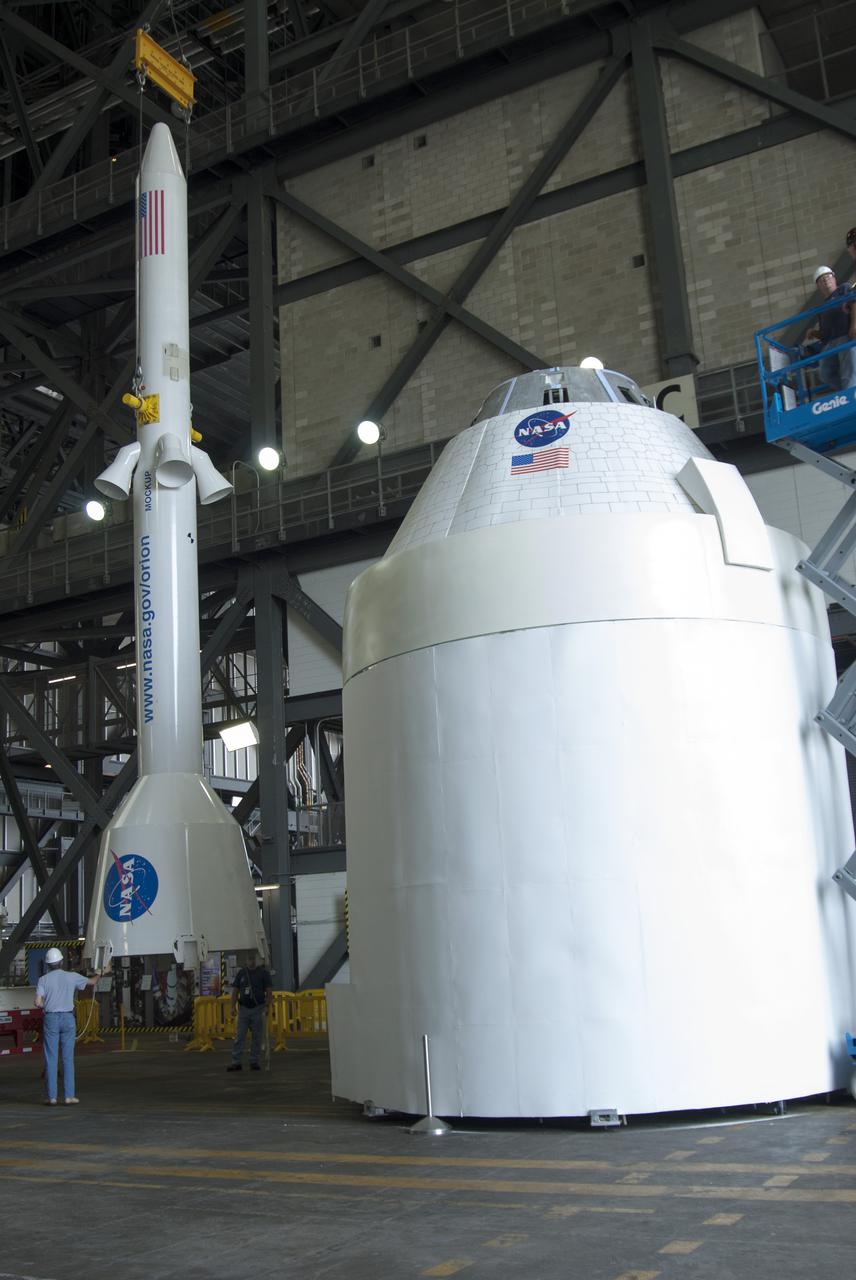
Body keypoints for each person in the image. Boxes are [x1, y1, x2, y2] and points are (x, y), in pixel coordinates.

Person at [34, 947, 100, 1106]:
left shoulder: (43, 980)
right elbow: (92, 982)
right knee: (67, 1058)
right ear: (62, 962)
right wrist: (102, 972)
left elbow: (37, 1002)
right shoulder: (72, 976)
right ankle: (69, 1096)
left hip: (51, 1019)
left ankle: (52, 1097)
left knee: (51, 1058)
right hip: (68, 1019)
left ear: (48, 964)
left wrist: (44, 1004)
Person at [810, 266, 856, 390]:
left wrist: (854, 325)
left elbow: (854, 303)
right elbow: (824, 333)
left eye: (828, 277)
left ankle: (850, 395)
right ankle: (846, 393)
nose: (826, 280)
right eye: (821, 280)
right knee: (825, 374)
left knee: (849, 370)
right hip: (829, 343)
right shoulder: (822, 308)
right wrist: (814, 333)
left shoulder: (844, 289)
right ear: (818, 286)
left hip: (846, 336)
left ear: (834, 278)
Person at [226, 954, 272, 1072]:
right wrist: (232, 1007)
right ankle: (236, 1062)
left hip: (258, 1008)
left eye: (253, 958)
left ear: (257, 960)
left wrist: (267, 1006)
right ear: (246, 960)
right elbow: (235, 991)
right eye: (249, 958)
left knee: (257, 1037)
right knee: (240, 1036)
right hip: (244, 1009)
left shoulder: (264, 973)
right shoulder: (241, 973)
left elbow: (268, 991)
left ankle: (254, 1061)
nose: (251, 961)